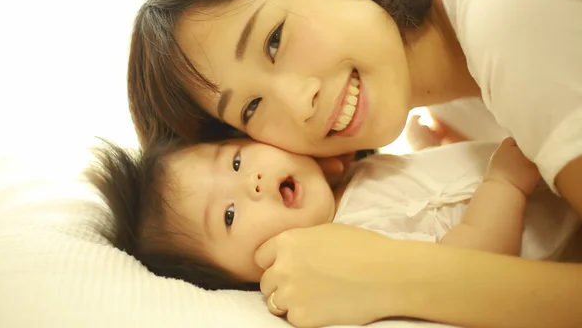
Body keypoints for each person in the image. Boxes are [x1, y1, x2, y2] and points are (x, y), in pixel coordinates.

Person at [126, 0, 582, 326]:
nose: (300, 103)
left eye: (274, 40)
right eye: (251, 109)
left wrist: (390, 277)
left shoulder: (509, 17)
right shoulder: (453, 107)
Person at [86, 137, 577, 295]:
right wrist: (504, 185)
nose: (250, 181)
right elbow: (471, 267)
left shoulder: (352, 176)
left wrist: (443, 151)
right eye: (230, 216)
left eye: (235, 160)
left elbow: (433, 197)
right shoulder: (350, 247)